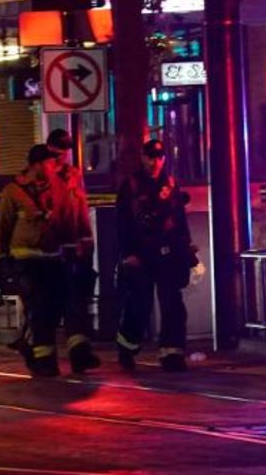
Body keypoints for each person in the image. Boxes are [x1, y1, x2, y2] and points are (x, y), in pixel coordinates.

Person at [0, 145, 96, 378]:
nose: (53, 167)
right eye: (48, 163)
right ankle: (44, 360)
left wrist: (80, 248)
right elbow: (2, 228)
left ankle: (62, 353)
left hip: (53, 258)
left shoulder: (56, 189)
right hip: (26, 261)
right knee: (40, 309)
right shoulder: (13, 191)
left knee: (64, 304)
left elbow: (69, 220)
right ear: (36, 164)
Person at [115, 139, 198, 372]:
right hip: (141, 254)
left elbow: (179, 219)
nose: (155, 162)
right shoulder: (130, 186)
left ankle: (172, 353)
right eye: (150, 157)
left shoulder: (170, 184)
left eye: (159, 157)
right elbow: (122, 223)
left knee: (172, 303)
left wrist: (187, 247)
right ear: (143, 157)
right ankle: (127, 347)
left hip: (168, 253)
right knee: (139, 303)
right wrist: (128, 253)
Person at [45, 129, 99, 373]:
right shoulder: (40, 176)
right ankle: (38, 352)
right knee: (49, 305)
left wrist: (87, 242)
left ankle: (79, 353)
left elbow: (81, 208)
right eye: (58, 151)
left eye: (65, 151)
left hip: (72, 249)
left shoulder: (74, 175)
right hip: (47, 252)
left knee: (75, 301)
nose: (62, 156)